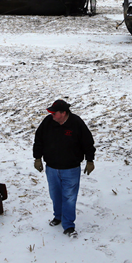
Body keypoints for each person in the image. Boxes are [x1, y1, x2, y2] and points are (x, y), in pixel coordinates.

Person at [32, 99, 95, 238]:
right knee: (55, 195)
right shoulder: (48, 123)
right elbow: (39, 140)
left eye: (54, 113)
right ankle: (58, 217)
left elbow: (88, 142)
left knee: (69, 197)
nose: (52, 115)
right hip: (52, 168)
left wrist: (90, 160)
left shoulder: (76, 123)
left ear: (63, 113)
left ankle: (68, 225)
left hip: (71, 168)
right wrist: (37, 158)